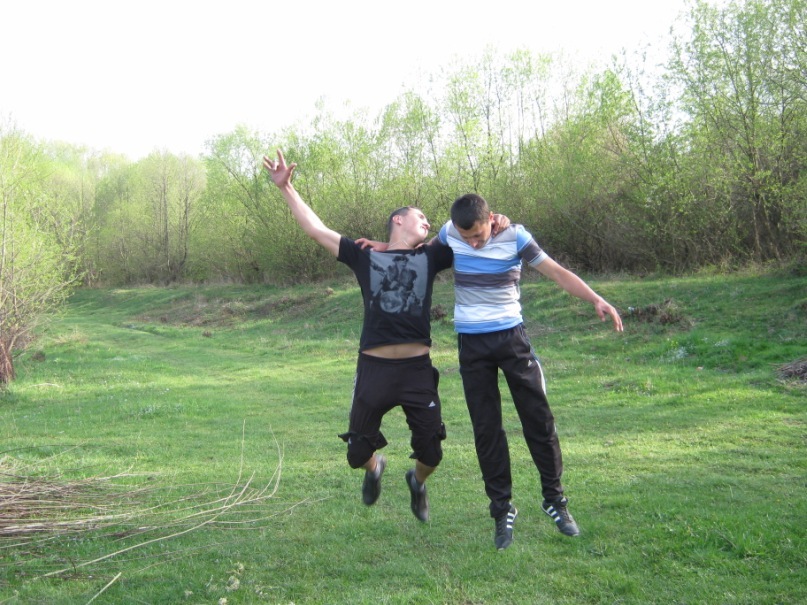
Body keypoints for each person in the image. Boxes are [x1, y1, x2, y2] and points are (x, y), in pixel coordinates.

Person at [263, 149, 461, 523]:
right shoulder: (364, 255)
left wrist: (497, 220)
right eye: (420, 216)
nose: (427, 222)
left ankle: (417, 482)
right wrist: (286, 188)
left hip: (417, 370)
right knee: (356, 454)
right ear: (398, 220)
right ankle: (375, 467)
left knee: (432, 452)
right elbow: (316, 229)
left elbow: (466, 225)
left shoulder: (432, 255)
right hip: (374, 368)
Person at [438, 193, 623, 550]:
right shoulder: (449, 232)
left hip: (511, 339)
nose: (472, 243)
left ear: (491, 219)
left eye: (478, 235)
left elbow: (557, 272)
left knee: (539, 421)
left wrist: (596, 298)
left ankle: (555, 500)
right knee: (486, 429)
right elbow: (416, 253)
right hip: (471, 345)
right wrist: (382, 245)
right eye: (466, 238)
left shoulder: (516, 236)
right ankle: (501, 509)